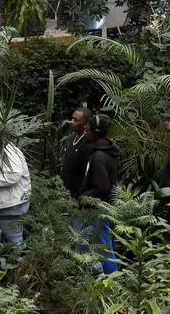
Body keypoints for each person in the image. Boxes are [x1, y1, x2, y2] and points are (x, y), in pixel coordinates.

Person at [74, 115, 119, 274]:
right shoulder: (102, 151)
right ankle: (87, 279)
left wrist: (84, 196)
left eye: (87, 130)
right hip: (94, 208)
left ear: (96, 132)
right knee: (84, 245)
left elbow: (102, 187)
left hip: (98, 209)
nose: (85, 133)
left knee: (104, 249)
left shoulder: (99, 157)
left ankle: (113, 283)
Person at [0, 142, 31, 250]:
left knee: (15, 241)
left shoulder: (9, 151)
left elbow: (13, 176)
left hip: (10, 205)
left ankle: (23, 265)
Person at [61, 108, 93, 197]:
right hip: (64, 190)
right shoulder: (72, 137)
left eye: (76, 120)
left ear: (86, 123)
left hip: (76, 193)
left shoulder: (87, 144)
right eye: (72, 118)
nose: (71, 122)